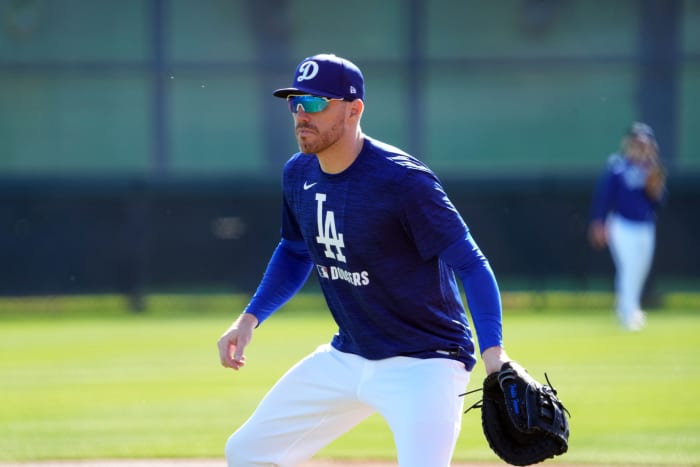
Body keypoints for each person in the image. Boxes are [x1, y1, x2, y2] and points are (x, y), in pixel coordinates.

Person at [217, 53, 511, 467]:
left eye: (316, 103)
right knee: (248, 453)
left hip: (426, 362)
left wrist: (494, 356)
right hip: (348, 355)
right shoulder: (298, 173)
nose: (302, 113)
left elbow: (472, 264)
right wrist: (248, 319)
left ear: (354, 110)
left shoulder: (403, 181)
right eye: (295, 102)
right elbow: (295, 250)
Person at [588, 122, 666, 331]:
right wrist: (599, 222)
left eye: (644, 142)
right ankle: (627, 311)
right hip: (621, 225)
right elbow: (604, 196)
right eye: (636, 141)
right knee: (629, 268)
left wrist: (655, 187)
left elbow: (658, 202)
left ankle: (631, 307)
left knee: (641, 268)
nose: (640, 146)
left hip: (645, 226)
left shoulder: (652, 168)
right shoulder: (618, 166)